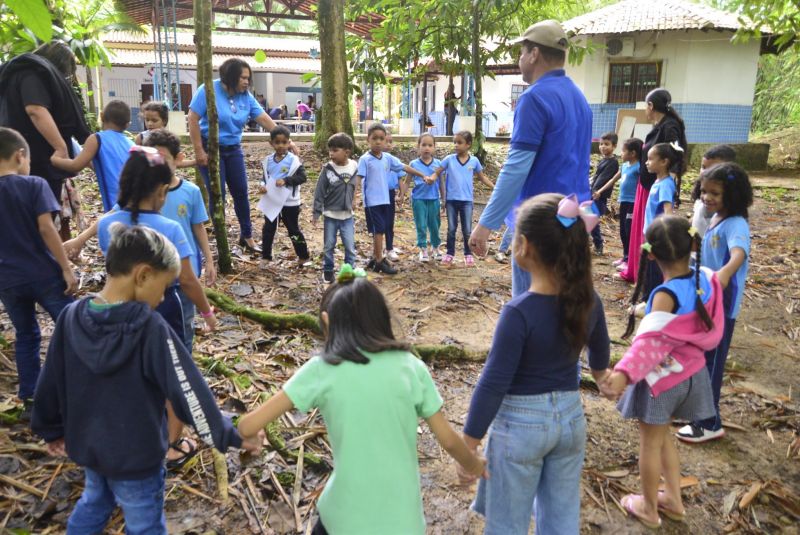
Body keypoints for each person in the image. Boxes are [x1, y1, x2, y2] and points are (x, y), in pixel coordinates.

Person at [31, 223, 263, 535]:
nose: (164, 296)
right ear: (142, 275)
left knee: (95, 501)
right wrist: (227, 433)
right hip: (137, 459)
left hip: (90, 448)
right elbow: (188, 392)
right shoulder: (150, 329)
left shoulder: (71, 318)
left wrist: (50, 428)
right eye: (165, 286)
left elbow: (50, 380)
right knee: (146, 524)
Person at [237, 265, 486, 535]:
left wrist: (254, 436)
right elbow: (448, 440)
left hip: (343, 519)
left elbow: (247, 426)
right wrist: (473, 464)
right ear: (380, 317)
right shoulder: (411, 366)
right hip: (403, 523)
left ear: (327, 321)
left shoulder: (321, 370)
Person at [459, 193, 610, 534]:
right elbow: (600, 350)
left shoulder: (518, 312)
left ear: (523, 246)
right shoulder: (590, 299)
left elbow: (493, 382)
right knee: (560, 517)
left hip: (521, 429)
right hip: (571, 420)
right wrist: (602, 376)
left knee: (507, 523)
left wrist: (469, 444)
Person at [95, 147, 218, 468]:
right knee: (173, 374)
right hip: (167, 311)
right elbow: (189, 281)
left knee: (134, 370)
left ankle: (134, 431)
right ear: (162, 191)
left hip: (122, 313)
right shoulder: (171, 230)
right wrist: (206, 312)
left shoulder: (107, 225)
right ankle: (171, 443)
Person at [601, 215, 724, 529]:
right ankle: (673, 499)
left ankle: (649, 508)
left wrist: (622, 375)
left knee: (650, 444)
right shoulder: (706, 281)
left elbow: (649, 346)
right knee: (663, 437)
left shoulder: (663, 295)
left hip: (662, 382)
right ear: (693, 245)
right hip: (693, 374)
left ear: (651, 254)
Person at [469, 20, 592, 296]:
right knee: (565, 305)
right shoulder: (580, 99)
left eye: (522, 52)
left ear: (534, 54)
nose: (520, 59)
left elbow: (516, 168)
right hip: (577, 216)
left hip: (540, 221)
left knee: (532, 306)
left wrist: (485, 225)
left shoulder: (535, 99)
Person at [0, 127, 76, 415]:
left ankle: (31, 397)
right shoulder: (34, 185)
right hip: (43, 274)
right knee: (72, 326)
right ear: (20, 156)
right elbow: (47, 229)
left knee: (26, 334)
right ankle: (79, 385)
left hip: (7, 279)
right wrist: (66, 268)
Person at [677, 163, 753, 444]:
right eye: (705, 192)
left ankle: (709, 422)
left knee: (713, 364)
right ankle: (700, 414)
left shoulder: (736, 224)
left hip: (723, 305)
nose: (707, 198)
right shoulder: (716, 218)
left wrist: (724, 273)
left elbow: (738, 254)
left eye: (716, 194)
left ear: (732, 195)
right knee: (703, 359)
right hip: (708, 301)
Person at [188, 58, 283, 254]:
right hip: (211, 148)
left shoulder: (246, 96)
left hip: (233, 149)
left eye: (249, 78)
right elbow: (193, 118)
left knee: (241, 191)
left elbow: (263, 118)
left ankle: (246, 236)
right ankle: (221, 239)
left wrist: (284, 139)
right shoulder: (208, 90)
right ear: (230, 76)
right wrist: (199, 150)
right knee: (218, 194)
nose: (247, 82)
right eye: (243, 78)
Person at [0, 42, 91, 239]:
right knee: (38, 220)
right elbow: (35, 109)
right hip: (37, 162)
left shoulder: (16, 74)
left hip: (19, 159)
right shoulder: (33, 73)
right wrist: (60, 147)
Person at [617, 88, 687, 284]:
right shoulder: (661, 125)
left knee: (650, 233)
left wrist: (666, 181)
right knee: (642, 230)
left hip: (654, 187)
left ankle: (647, 277)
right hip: (648, 184)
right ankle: (635, 269)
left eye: (645, 106)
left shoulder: (669, 127)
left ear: (651, 105)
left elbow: (675, 156)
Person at [357, 122, 427, 275]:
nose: (378, 141)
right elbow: (358, 178)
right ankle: (380, 260)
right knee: (379, 230)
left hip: (385, 200)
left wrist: (422, 175)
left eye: (381, 138)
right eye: (374, 138)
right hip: (372, 202)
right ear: (367, 140)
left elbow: (404, 167)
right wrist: (353, 198)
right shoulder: (365, 159)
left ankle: (376, 258)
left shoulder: (387, 158)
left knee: (381, 229)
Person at [50, 100, 133, 212]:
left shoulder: (97, 138)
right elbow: (109, 166)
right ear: (127, 125)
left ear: (102, 116)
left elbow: (75, 166)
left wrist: (55, 160)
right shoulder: (131, 144)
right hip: (133, 204)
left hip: (115, 208)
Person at [431, 131, 495, 267]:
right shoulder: (449, 159)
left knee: (467, 230)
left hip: (467, 201)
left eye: (459, 142)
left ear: (468, 145)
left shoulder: (474, 161)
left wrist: (494, 187)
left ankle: (468, 254)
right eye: (454, 142)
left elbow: (482, 177)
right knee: (451, 229)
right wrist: (432, 178)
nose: (456, 145)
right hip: (451, 201)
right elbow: (438, 171)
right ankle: (449, 254)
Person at [258, 126, 310, 268]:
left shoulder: (294, 161)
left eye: (284, 142)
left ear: (289, 143)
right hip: (272, 200)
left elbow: (302, 177)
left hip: (290, 202)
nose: (281, 145)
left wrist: (286, 180)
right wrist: (262, 185)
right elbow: (265, 177)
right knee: (268, 228)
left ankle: (303, 255)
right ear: (271, 143)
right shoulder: (267, 161)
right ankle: (266, 256)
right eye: (277, 142)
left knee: (293, 229)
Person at [313, 133, 359, 284]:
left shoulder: (354, 166)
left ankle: (348, 273)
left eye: (335, 150)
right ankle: (328, 271)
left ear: (347, 152)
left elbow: (355, 185)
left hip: (347, 216)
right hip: (331, 215)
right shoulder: (327, 169)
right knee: (328, 245)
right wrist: (316, 212)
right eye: (330, 150)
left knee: (350, 247)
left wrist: (354, 199)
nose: (331, 154)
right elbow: (319, 191)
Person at [593, 138, 642, 271]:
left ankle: (629, 259)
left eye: (623, 151)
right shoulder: (625, 166)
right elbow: (612, 180)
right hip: (623, 202)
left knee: (628, 231)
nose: (621, 153)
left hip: (633, 204)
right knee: (622, 231)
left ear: (632, 153)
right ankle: (625, 257)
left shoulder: (639, 167)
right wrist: (599, 191)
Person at [641, 142, 683, 297]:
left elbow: (668, 211)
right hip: (650, 232)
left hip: (657, 235)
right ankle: (648, 297)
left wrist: (665, 234)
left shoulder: (665, 185)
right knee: (648, 266)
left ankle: (651, 299)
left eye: (651, 159)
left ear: (664, 162)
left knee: (654, 269)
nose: (646, 162)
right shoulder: (658, 182)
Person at [398, 132, 442, 263]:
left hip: (434, 199)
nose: (427, 148)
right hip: (418, 199)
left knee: (434, 225)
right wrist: (402, 195)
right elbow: (407, 182)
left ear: (434, 147)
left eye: (430, 145)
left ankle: (436, 247)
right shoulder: (413, 163)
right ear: (418, 147)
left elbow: (442, 183)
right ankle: (423, 248)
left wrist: (444, 199)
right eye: (423, 145)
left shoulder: (438, 164)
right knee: (421, 225)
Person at [690, 145, 736, 238]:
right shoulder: (702, 194)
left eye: (712, 168)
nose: (705, 172)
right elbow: (696, 221)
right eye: (703, 167)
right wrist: (688, 233)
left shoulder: (728, 209)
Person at [134, 101, 196, 169]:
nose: (150, 124)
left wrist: (195, 162)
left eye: (154, 120)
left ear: (164, 121)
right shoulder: (141, 138)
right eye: (147, 120)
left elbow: (176, 162)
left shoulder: (170, 139)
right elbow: (135, 161)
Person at [589, 132, 619, 255]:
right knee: (590, 220)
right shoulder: (603, 160)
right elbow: (596, 176)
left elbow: (603, 179)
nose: (602, 147)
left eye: (606, 144)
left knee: (591, 220)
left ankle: (598, 244)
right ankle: (596, 243)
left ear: (614, 146)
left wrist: (595, 192)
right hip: (593, 194)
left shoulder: (613, 162)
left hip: (599, 197)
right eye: (601, 144)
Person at [383, 132, 404, 261]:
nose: (389, 144)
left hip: (391, 193)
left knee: (390, 221)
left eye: (391, 141)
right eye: (387, 141)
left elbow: (400, 177)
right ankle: (383, 248)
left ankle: (390, 247)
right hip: (379, 194)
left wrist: (401, 194)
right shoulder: (377, 160)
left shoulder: (395, 161)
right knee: (381, 223)